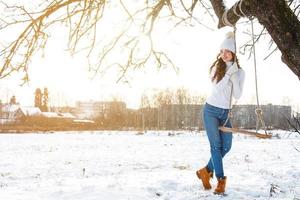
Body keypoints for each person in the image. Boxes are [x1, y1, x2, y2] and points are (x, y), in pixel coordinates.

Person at [196, 32, 245, 194]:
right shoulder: (217, 67)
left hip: (225, 113)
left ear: (233, 53)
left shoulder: (240, 72)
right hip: (210, 110)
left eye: (228, 51)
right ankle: (221, 180)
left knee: (227, 146)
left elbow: (237, 95)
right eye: (222, 51)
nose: (224, 54)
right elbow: (217, 88)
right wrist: (229, 73)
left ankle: (205, 171)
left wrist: (234, 76)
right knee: (216, 147)